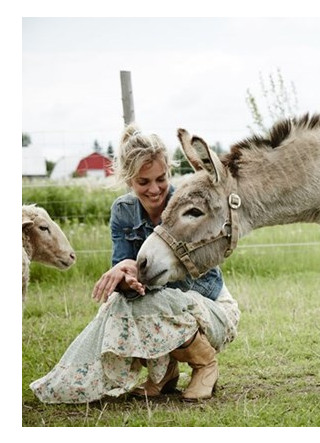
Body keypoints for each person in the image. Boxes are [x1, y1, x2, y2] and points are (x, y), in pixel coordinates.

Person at [30, 124, 240, 404]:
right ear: (129, 180)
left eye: (161, 178)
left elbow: (190, 278)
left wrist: (135, 270)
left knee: (145, 301)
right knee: (122, 303)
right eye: (143, 182)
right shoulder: (123, 211)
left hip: (209, 310)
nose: (155, 190)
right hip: (166, 307)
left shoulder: (187, 206)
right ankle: (164, 374)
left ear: (168, 172)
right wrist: (125, 277)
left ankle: (205, 365)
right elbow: (124, 273)